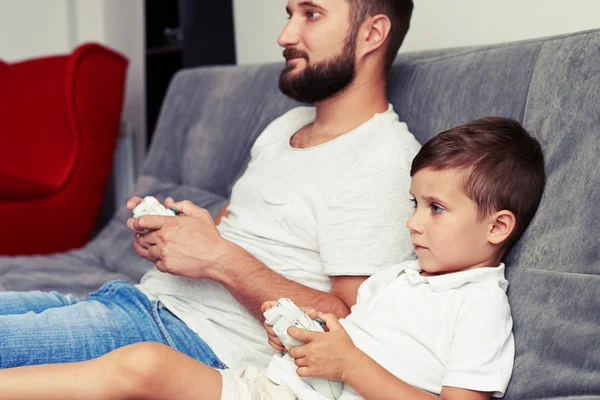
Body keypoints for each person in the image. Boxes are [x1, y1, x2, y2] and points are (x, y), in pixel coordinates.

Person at [0, 0, 419, 370]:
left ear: (372, 33)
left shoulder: (383, 160)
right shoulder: (285, 127)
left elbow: (349, 326)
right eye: (289, 14)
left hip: (197, 343)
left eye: (310, 14)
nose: (285, 35)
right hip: (137, 302)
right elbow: (227, 237)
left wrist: (219, 257)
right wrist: (176, 237)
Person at [0, 117, 546, 400]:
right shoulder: (402, 277)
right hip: (276, 384)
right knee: (143, 364)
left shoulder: (478, 305)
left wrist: (348, 364)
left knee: (141, 363)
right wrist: (304, 335)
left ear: (498, 225)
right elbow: (347, 332)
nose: (412, 223)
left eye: (434, 209)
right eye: (413, 204)